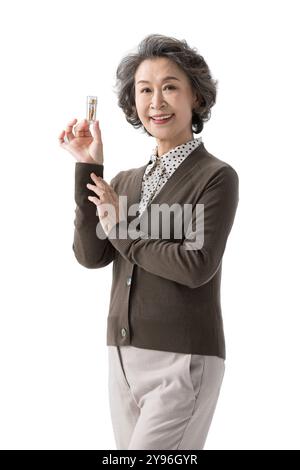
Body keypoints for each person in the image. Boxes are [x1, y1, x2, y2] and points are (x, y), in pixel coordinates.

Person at [58, 33, 239, 450]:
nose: (156, 101)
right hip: (121, 357)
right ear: (133, 103)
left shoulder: (215, 177)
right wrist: (89, 169)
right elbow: (91, 255)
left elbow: (196, 265)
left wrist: (122, 227)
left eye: (170, 86)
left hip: (183, 357)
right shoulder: (124, 182)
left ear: (196, 97)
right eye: (145, 90)